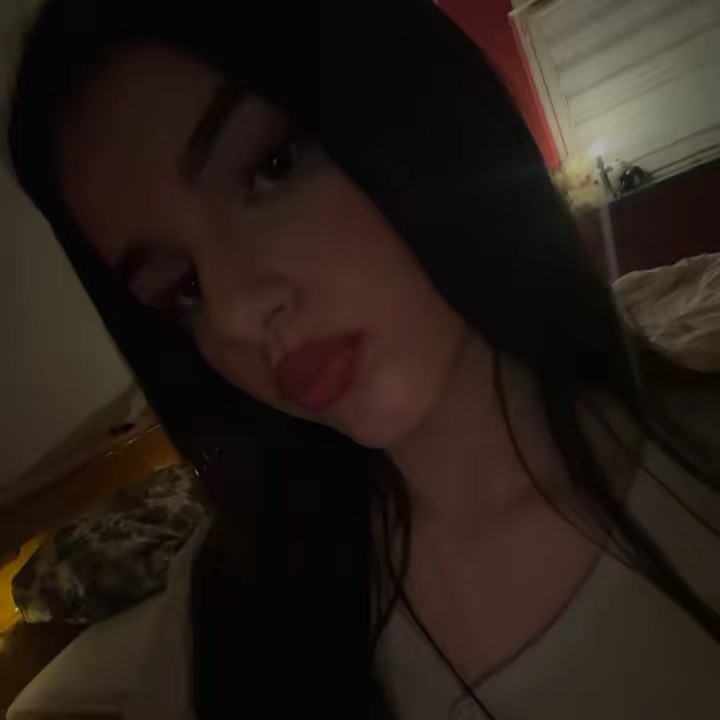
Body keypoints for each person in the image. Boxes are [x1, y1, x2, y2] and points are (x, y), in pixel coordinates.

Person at [7, 0, 720, 718]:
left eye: (273, 166)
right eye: (182, 289)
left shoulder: (697, 457)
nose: (235, 312)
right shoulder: (226, 613)